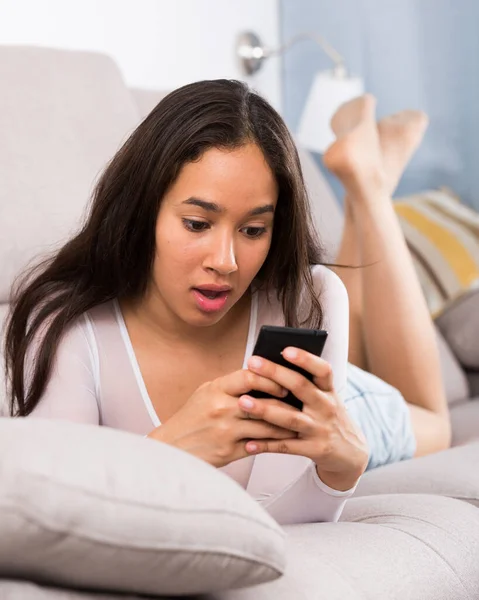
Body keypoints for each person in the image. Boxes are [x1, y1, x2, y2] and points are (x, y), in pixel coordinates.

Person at [3, 80, 447, 527]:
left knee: (435, 423)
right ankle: (366, 176)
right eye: (197, 224)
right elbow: (58, 514)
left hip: (350, 403)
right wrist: (173, 447)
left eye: (253, 230)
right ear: (143, 210)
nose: (226, 262)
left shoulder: (310, 296)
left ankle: (368, 185)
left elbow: (294, 524)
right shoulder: (67, 326)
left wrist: (343, 469)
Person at [324, 96, 451, 468]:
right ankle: (368, 189)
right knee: (434, 422)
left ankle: (364, 187)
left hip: (312, 405)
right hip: (316, 425)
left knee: (343, 369)